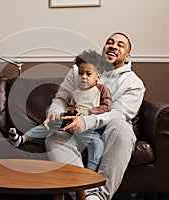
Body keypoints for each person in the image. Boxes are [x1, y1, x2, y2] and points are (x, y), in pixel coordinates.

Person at [44, 33, 145, 200]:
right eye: (109, 42)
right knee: (53, 138)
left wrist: (86, 121)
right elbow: (61, 98)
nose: (113, 46)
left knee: (122, 127)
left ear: (127, 56)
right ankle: (86, 195)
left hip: (108, 131)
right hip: (75, 128)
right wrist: (54, 113)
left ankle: (100, 196)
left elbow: (117, 113)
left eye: (120, 45)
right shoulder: (80, 70)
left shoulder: (134, 84)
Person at [8, 50, 112, 171]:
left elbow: (107, 107)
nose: (83, 77)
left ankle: (91, 171)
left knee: (97, 145)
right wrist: (67, 111)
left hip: (90, 129)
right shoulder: (77, 91)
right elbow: (72, 106)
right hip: (70, 124)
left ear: (98, 77)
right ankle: (22, 139)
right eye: (80, 73)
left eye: (88, 74)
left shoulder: (101, 89)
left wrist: (89, 112)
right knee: (46, 126)